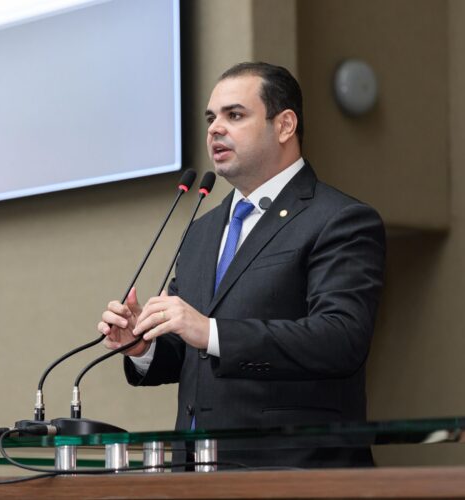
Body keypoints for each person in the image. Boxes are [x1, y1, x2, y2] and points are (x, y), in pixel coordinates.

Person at [98, 62, 385, 468]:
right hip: (194, 474)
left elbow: (340, 338)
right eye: (211, 118)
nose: (215, 129)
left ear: (284, 125)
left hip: (293, 472)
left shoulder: (338, 219)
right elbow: (192, 351)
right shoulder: (201, 230)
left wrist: (211, 331)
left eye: (234, 115)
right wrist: (143, 346)